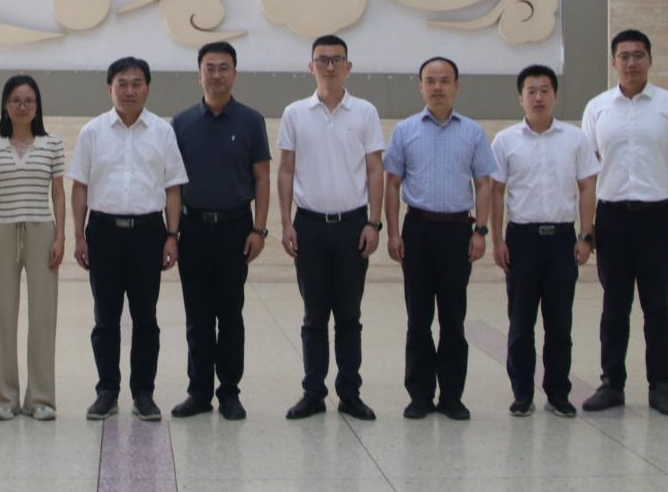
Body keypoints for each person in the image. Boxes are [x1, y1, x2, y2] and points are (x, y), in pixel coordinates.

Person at [580, 29, 668, 416]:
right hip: (611, 217)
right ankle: (611, 384)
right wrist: (587, 226)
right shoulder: (597, 108)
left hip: (657, 217)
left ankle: (661, 386)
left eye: (639, 55)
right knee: (614, 307)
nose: (631, 63)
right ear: (613, 62)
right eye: (624, 56)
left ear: (650, 60)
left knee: (657, 307)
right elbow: (586, 174)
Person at [70, 56, 187, 422]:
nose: (130, 90)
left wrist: (172, 235)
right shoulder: (92, 132)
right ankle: (107, 391)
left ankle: (143, 392)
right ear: (110, 88)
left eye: (137, 83)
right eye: (122, 83)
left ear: (147, 87)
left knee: (145, 317)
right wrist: (79, 236)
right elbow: (79, 186)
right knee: (105, 317)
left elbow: (173, 188)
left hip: (148, 233)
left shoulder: (163, 132)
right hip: (103, 232)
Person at [381, 56, 496, 420]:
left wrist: (481, 231)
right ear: (420, 86)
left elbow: (484, 184)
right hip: (417, 230)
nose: (437, 87)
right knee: (418, 318)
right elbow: (392, 183)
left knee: (452, 318)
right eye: (430, 81)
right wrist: (394, 232)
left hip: (457, 231)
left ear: (457, 86)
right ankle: (419, 395)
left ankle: (451, 396)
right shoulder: (405, 131)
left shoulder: (473, 132)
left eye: (445, 80)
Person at [278, 34, 385, 421]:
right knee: (314, 316)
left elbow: (375, 169)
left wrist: (374, 222)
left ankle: (350, 393)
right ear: (311, 66)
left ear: (348, 66)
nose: (329, 66)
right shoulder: (295, 113)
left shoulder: (365, 112)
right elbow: (285, 170)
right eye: (322, 59)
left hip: (353, 226)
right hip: (309, 226)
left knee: (349, 316)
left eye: (336, 59)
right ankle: (313, 392)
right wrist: (286, 223)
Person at [488, 64, 599, 418]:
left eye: (545, 91)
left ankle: (558, 393)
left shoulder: (575, 139)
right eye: (531, 91)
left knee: (559, 324)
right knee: (521, 324)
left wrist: (586, 235)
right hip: (521, 240)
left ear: (555, 96)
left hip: (562, 240)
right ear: (520, 98)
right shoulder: (505, 140)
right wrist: (497, 240)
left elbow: (587, 187)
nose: (538, 97)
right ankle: (522, 394)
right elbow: (496, 191)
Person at [169, 42, 272, 421]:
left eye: (223, 67)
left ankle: (229, 392)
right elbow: (172, 185)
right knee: (197, 317)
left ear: (235, 73)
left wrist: (259, 229)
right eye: (209, 68)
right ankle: (198, 392)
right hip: (193, 230)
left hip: (235, 230)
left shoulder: (251, 121)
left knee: (230, 314)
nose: (216, 75)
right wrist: (172, 233)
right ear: (199, 75)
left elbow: (262, 178)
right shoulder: (180, 124)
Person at [0, 75, 67, 421]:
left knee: (43, 316)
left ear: (37, 105)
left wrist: (61, 237)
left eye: (29, 100)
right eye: (15, 100)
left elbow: (58, 193)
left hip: (42, 231)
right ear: (5, 104)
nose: (22, 106)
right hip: (2, 231)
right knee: (1, 316)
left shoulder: (52, 144)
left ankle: (40, 399)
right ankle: (4, 398)